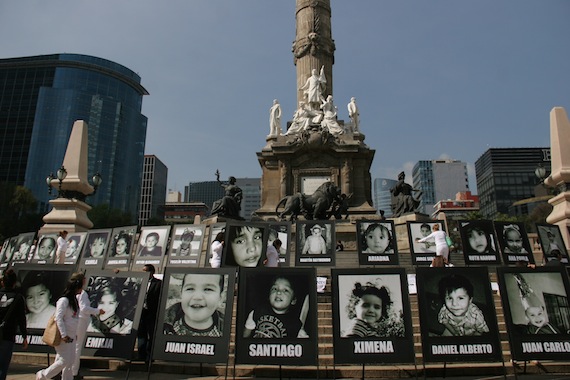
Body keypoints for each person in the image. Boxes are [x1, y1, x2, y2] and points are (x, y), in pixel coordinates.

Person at [36, 272, 85, 380]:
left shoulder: (74, 301)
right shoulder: (63, 301)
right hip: (64, 336)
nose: (82, 289)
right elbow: (58, 318)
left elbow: (73, 319)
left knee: (70, 361)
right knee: (64, 360)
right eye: (81, 285)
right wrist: (63, 334)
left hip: (71, 336)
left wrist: (75, 334)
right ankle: (43, 375)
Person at [244, 276, 308, 338]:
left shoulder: (295, 324)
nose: (278, 292)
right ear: (269, 296)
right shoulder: (258, 311)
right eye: (274, 288)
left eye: (285, 290)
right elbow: (246, 332)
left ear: (293, 300)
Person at [72, 273, 104, 380]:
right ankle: (74, 371)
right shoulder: (82, 293)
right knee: (77, 347)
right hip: (80, 320)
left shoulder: (71, 292)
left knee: (71, 346)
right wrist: (98, 311)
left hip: (73, 320)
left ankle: (63, 369)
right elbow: (84, 308)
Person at [0, 269, 28, 380]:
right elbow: (22, 318)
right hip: (8, 335)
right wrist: (24, 336)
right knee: (3, 366)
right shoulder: (18, 298)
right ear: (14, 283)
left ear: (3, 282)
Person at [137, 264, 162, 362]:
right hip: (141, 313)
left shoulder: (158, 283)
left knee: (151, 334)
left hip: (151, 313)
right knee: (141, 334)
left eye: (146, 271)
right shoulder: (139, 282)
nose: (144, 273)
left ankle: (150, 355)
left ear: (152, 272)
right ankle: (141, 355)